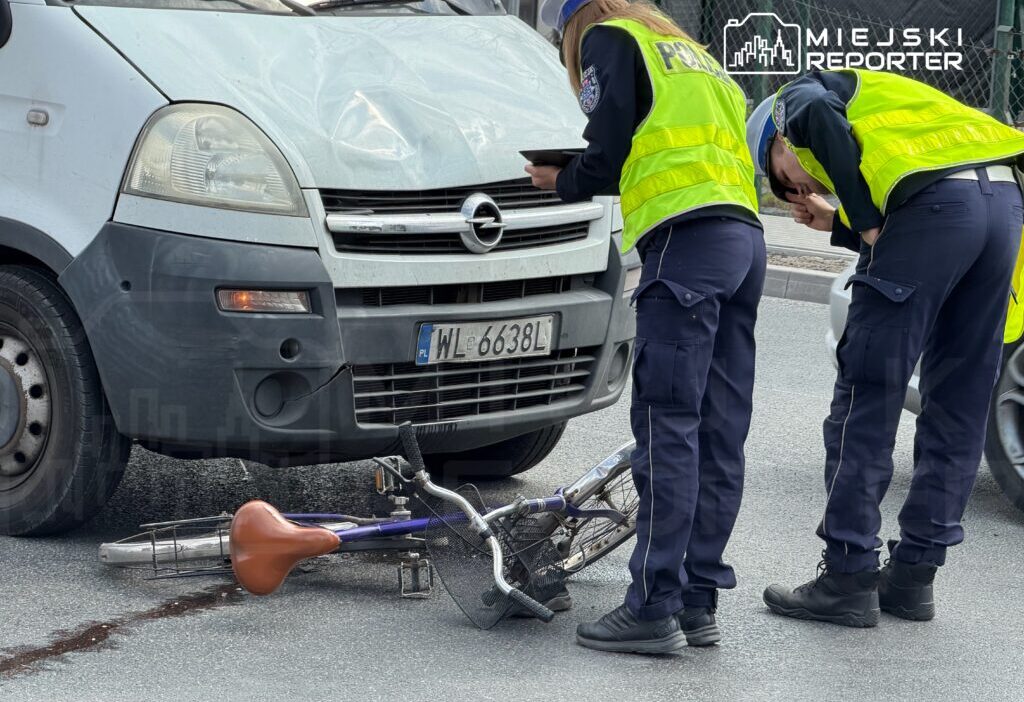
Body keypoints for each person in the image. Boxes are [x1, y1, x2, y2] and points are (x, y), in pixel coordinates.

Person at [746, 69, 1024, 627]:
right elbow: (923, 190)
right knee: (960, 404)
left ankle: (847, 577)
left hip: (939, 207)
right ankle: (912, 580)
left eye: (787, 181)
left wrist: (866, 224)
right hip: (1002, 203)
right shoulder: (894, 104)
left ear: (776, 140)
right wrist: (845, 219)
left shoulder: (791, 100)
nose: (802, 192)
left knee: (865, 399)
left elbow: (817, 118)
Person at [529, 0, 766, 654]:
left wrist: (560, 180)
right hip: (743, 241)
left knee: (668, 427)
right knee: (719, 431)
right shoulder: (693, 54)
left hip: (685, 243)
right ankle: (699, 602)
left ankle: (651, 606)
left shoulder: (608, 39)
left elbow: (604, 157)